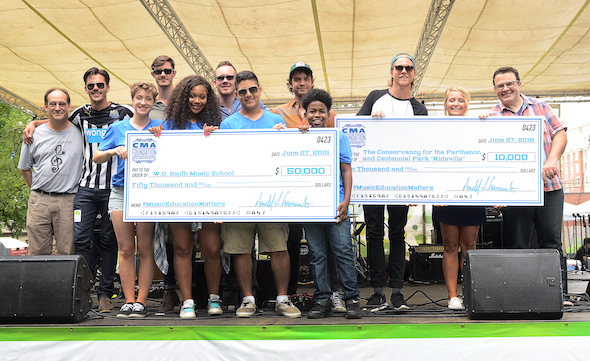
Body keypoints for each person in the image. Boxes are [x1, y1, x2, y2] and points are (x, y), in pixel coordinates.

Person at [22, 67, 134, 313]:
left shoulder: (124, 113)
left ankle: (105, 294)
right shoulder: (80, 114)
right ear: (85, 89)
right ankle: (82, 293)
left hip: (112, 189)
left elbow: (143, 119)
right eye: (91, 86)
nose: (96, 89)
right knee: (80, 241)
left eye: (100, 85)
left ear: (107, 87)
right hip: (84, 190)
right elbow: (55, 117)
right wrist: (33, 123)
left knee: (108, 241)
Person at [216, 70, 301, 318]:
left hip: (271, 198)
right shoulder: (227, 125)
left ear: (260, 90)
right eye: (242, 91)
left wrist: (287, 137)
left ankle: (283, 299)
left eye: (252, 89)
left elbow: (289, 157)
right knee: (241, 250)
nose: (248, 95)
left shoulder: (276, 121)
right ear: (237, 94)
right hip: (238, 198)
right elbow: (221, 162)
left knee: (278, 247)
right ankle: (248, 299)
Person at [357, 53, 428, 311]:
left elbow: (421, 148)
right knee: (374, 234)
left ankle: (397, 292)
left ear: (413, 73)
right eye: (399, 67)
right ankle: (377, 292)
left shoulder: (419, 109)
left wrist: (416, 186)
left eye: (409, 67)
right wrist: (369, 122)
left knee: (397, 235)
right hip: (374, 180)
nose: (403, 71)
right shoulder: (375, 97)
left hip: (402, 182)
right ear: (391, 71)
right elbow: (355, 133)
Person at [487, 66, 568, 290]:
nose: (505, 89)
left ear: (519, 84)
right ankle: (521, 294)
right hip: (516, 192)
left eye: (509, 83)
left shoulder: (541, 107)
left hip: (549, 188)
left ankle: (556, 294)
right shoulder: (491, 117)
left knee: (552, 243)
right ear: (495, 90)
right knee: (517, 245)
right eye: (500, 86)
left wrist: (551, 160)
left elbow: (560, 132)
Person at [272, 62, 345, 312]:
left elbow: (336, 146)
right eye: (296, 79)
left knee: (328, 249)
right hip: (292, 193)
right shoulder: (278, 113)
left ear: (312, 82)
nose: (301, 83)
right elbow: (270, 141)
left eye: (305, 78)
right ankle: (289, 294)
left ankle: (332, 294)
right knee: (291, 243)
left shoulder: (331, 114)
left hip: (323, 193)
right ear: (290, 84)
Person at [150, 76, 224, 318]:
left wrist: (216, 136)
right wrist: (153, 134)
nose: (197, 101)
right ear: (183, 97)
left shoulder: (215, 124)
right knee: (182, 249)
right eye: (192, 96)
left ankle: (214, 299)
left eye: (202, 96)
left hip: (208, 195)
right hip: (178, 195)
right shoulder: (169, 126)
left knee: (212, 249)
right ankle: (187, 301)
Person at [93, 82, 161, 317]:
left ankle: (142, 301)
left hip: (147, 192)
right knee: (125, 248)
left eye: (148, 99)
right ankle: (128, 299)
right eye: (139, 98)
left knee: (145, 249)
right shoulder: (117, 128)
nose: (143, 102)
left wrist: (160, 137)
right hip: (121, 192)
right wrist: (114, 151)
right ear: (132, 100)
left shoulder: (159, 127)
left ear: (154, 102)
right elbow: (97, 157)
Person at [297, 88, 362, 319]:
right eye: (312, 111)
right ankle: (322, 299)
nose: (316, 115)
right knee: (317, 255)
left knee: (344, 251)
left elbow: (346, 170)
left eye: (321, 111)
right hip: (310, 207)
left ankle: (352, 299)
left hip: (335, 206)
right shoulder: (299, 137)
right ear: (305, 113)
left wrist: (346, 200)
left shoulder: (339, 137)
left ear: (328, 113)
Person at [433, 87, 486, 310]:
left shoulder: (478, 124)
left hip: (472, 193)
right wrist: (434, 191)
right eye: (451, 100)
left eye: (460, 100)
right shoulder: (435, 129)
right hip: (445, 195)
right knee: (450, 245)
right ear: (445, 105)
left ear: (467, 104)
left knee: (470, 245)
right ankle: (452, 296)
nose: (456, 103)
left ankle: (471, 293)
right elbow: (430, 159)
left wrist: (487, 122)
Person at [18, 88, 82, 255]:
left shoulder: (80, 132)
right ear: (46, 107)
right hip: (39, 201)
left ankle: (64, 283)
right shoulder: (32, 134)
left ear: (69, 106)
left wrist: (34, 121)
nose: (57, 108)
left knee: (67, 252)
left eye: (62, 104)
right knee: (37, 253)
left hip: (69, 201)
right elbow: (24, 168)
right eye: (52, 104)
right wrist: (39, 191)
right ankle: (38, 282)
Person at [149, 55, 182, 314]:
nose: (163, 74)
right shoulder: (147, 103)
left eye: (167, 70)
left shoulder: (185, 98)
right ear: (153, 74)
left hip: (188, 174)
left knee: (191, 236)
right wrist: (36, 122)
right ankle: (170, 289)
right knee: (167, 235)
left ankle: (196, 290)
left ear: (174, 72)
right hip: (159, 178)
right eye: (158, 71)